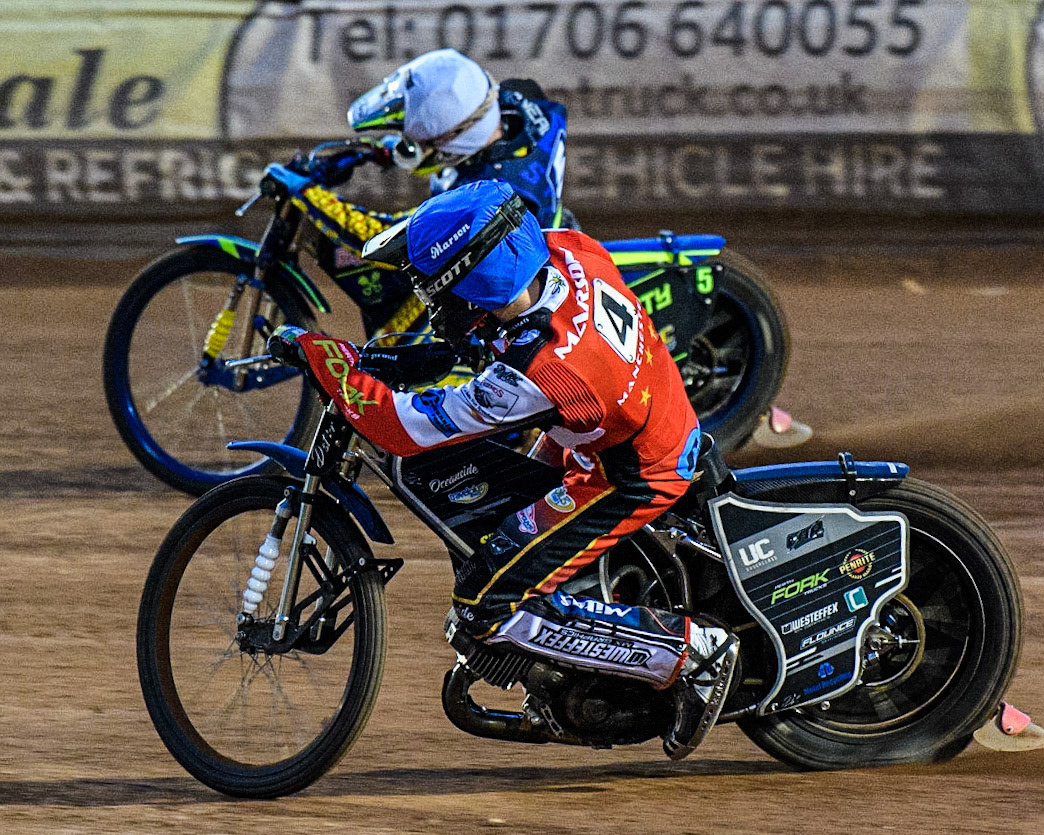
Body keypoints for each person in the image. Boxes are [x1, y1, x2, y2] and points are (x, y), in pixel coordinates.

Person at [271, 179, 739, 759]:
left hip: (628, 470)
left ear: (473, 282)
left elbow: (400, 428)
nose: (426, 300)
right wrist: (408, 353)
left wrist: (327, 359)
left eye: (432, 289)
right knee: (509, 523)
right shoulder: (568, 249)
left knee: (485, 608)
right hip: (625, 421)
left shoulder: (536, 370)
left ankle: (690, 653)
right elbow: (496, 338)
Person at [337, 47, 810, 448]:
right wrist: (384, 147)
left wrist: (326, 204)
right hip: (560, 239)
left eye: (426, 143)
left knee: (476, 339)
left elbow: (413, 236)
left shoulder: (498, 186)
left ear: (458, 138)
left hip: (536, 273)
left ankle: (506, 422)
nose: (420, 151)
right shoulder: (513, 105)